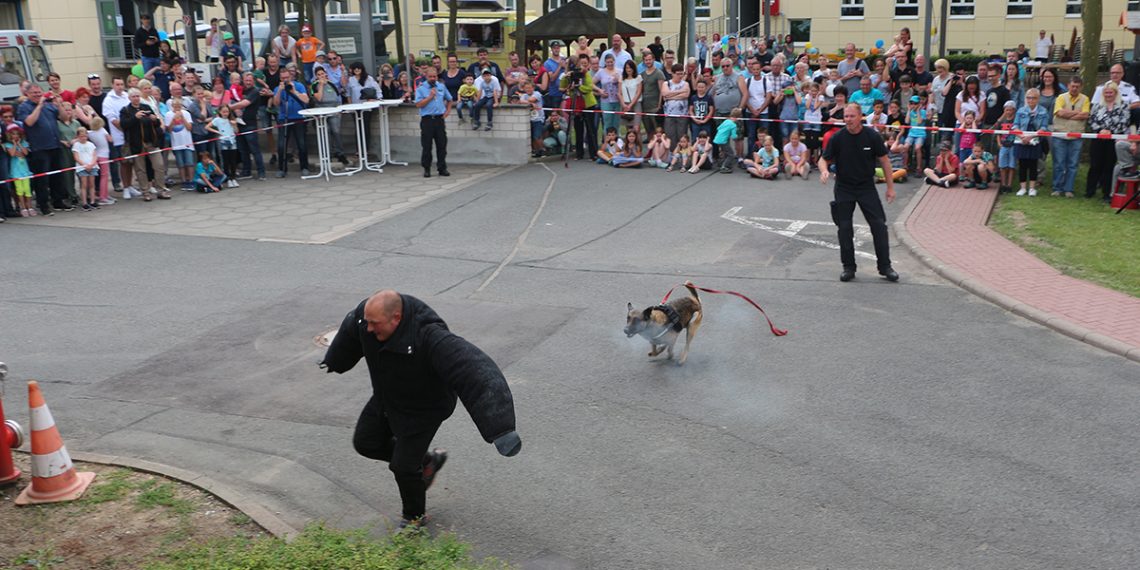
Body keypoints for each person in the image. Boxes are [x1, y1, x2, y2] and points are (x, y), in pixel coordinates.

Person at [319, 289, 520, 529]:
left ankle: (414, 519)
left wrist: (501, 428)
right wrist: (336, 359)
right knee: (366, 442)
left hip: (424, 408)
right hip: (388, 396)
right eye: (368, 322)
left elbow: (476, 372)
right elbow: (352, 328)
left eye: (375, 324)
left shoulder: (429, 336)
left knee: (404, 466)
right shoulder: (366, 319)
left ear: (396, 318)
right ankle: (427, 463)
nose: (369, 329)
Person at [819, 103, 898, 283]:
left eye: (851, 116)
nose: (848, 120)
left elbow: (885, 162)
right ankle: (849, 267)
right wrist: (824, 170)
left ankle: (885, 266)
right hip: (844, 187)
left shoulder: (872, 136)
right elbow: (823, 159)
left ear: (860, 116)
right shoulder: (838, 137)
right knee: (845, 228)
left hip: (866, 187)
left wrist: (890, 188)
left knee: (879, 226)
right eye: (846, 116)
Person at [17, 84, 67, 214]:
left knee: (57, 176)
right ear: (27, 94)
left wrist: (59, 104)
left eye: (39, 92)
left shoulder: (49, 105)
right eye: (34, 93)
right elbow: (29, 122)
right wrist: (39, 106)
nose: (38, 95)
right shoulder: (24, 107)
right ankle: (43, 205)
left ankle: (58, 201)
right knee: (42, 179)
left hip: (55, 145)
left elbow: (64, 118)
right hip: (40, 148)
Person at [119, 87, 168, 200]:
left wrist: (154, 119)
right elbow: (124, 125)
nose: (136, 98)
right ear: (129, 98)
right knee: (141, 170)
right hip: (137, 145)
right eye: (133, 96)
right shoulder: (125, 110)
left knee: (159, 166)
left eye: (137, 96)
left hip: (151, 142)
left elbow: (156, 124)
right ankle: (145, 192)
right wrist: (135, 118)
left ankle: (161, 190)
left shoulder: (146, 107)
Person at [1086, 82, 1130, 201]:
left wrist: (1110, 131)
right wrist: (1101, 130)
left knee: (1108, 166)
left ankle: (1106, 193)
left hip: (1113, 140)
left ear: (1116, 93)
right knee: (1095, 165)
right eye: (1106, 92)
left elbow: (1124, 123)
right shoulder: (1097, 105)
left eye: (1111, 92)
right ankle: (1090, 191)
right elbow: (1091, 120)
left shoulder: (1123, 106)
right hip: (1098, 138)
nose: (1108, 95)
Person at [1051, 76, 1088, 198]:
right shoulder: (1061, 98)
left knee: (1073, 164)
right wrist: (1077, 113)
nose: (1074, 88)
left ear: (1081, 87)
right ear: (1068, 86)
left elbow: (1085, 115)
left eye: (1077, 87)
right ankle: (1057, 188)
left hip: (1076, 136)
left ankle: (1069, 189)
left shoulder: (1085, 99)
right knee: (1059, 163)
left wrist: (1067, 114)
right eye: (1073, 86)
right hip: (1060, 134)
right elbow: (1059, 112)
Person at [414, 66, 451, 178]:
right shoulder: (421, 88)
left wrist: (447, 111)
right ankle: (427, 168)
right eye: (430, 76)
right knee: (427, 146)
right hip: (427, 120)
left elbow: (449, 99)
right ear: (426, 76)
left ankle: (442, 168)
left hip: (439, 119)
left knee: (442, 145)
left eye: (434, 76)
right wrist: (430, 97)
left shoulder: (441, 86)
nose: (432, 78)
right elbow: (418, 104)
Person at [273, 67, 310, 178]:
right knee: (281, 145)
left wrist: (294, 91)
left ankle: (304, 167)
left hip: (298, 117)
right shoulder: (277, 88)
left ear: (291, 77)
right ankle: (282, 169)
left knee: (302, 143)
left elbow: (306, 100)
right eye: (283, 78)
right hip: (284, 118)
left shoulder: (299, 86)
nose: (285, 80)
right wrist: (280, 90)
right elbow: (276, 103)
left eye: (287, 78)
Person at [311, 66, 348, 165]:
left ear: (325, 74)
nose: (321, 76)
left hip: (334, 109)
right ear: (316, 76)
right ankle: (327, 154)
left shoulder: (332, 84)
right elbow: (318, 98)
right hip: (321, 110)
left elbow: (337, 97)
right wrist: (321, 86)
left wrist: (338, 109)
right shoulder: (314, 85)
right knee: (325, 131)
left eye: (322, 74)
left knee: (336, 131)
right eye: (319, 75)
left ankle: (340, 153)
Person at [1011, 88, 1045, 196]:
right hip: (1021, 140)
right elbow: (1015, 126)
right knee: (1022, 165)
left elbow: (1044, 128)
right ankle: (1022, 188)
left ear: (1038, 99)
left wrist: (1031, 136)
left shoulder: (1043, 111)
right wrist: (1021, 136)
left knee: (1033, 165)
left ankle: (1032, 188)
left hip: (1035, 140)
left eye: (1033, 98)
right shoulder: (1020, 111)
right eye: (1028, 98)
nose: (1030, 100)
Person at [164, 97, 195, 190]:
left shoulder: (186, 113)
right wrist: (173, 120)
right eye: (175, 106)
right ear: (172, 106)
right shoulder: (168, 115)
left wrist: (183, 118)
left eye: (179, 106)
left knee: (189, 162)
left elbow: (189, 128)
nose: (177, 108)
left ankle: (191, 180)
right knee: (180, 163)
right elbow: (169, 130)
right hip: (176, 143)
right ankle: (184, 181)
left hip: (187, 142)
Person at [5, 124, 33, 216]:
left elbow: (25, 153)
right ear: (10, 135)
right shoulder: (8, 145)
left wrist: (20, 144)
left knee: (27, 189)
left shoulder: (24, 143)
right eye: (13, 134)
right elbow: (12, 154)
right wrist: (14, 144)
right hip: (16, 171)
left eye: (17, 134)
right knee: (19, 189)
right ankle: (23, 207)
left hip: (24, 170)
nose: (15, 136)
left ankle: (29, 206)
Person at [71, 127, 99, 211]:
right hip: (82, 168)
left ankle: (92, 201)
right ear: (78, 136)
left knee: (92, 184)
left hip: (92, 166)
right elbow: (76, 157)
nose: (83, 138)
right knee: (84, 185)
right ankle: (84, 202)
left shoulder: (91, 144)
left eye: (85, 136)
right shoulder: (76, 145)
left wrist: (92, 164)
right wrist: (84, 165)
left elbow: (94, 155)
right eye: (81, 136)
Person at [713, 107, 741, 173]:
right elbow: (734, 136)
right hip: (723, 141)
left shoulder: (726, 121)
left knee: (725, 152)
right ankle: (724, 167)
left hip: (717, 139)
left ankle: (721, 163)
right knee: (731, 154)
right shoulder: (733, 125)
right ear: (738, 117)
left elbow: (718, 128)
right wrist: (737, 136)